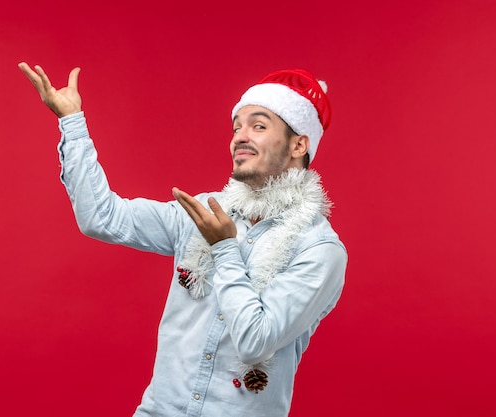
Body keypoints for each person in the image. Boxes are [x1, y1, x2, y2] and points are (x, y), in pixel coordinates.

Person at [19, 62, 347, 417]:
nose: (240, 136)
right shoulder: (202, 212)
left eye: (258, 126)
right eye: (237, 127)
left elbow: (257, 341)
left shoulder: (319, 248)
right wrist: (72, 122)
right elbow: (103, 217)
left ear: (299, 144)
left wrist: (224, 248)